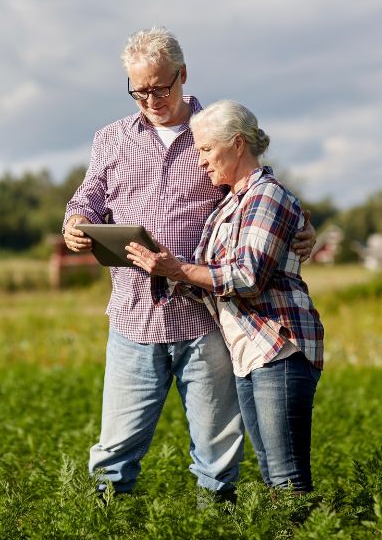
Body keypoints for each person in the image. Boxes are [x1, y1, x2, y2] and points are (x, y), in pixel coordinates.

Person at [62, 27, 316, 502]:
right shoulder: (112, 139)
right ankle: (99, 525)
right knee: (115, 450)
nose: (152, 99)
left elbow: (261, 192)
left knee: (217, 454)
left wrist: (304, 227)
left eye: (161, 87)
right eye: (140, 91)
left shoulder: (213, 130)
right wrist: (75, 223)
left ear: (183, 75)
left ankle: (214, 524)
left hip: (207, 320)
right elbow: (87, 199)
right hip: (134, 317)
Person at [125, 100, 324, 493]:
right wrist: (157, 265)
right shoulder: (229, 205)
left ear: (236, 144)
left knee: (287, 478)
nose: (199, 162)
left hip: (278, 348)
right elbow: (211, 280)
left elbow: (247, 277)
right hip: (249, 354)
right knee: (273, 473)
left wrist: (176, 269)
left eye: (205, 149)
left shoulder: (267, 196)